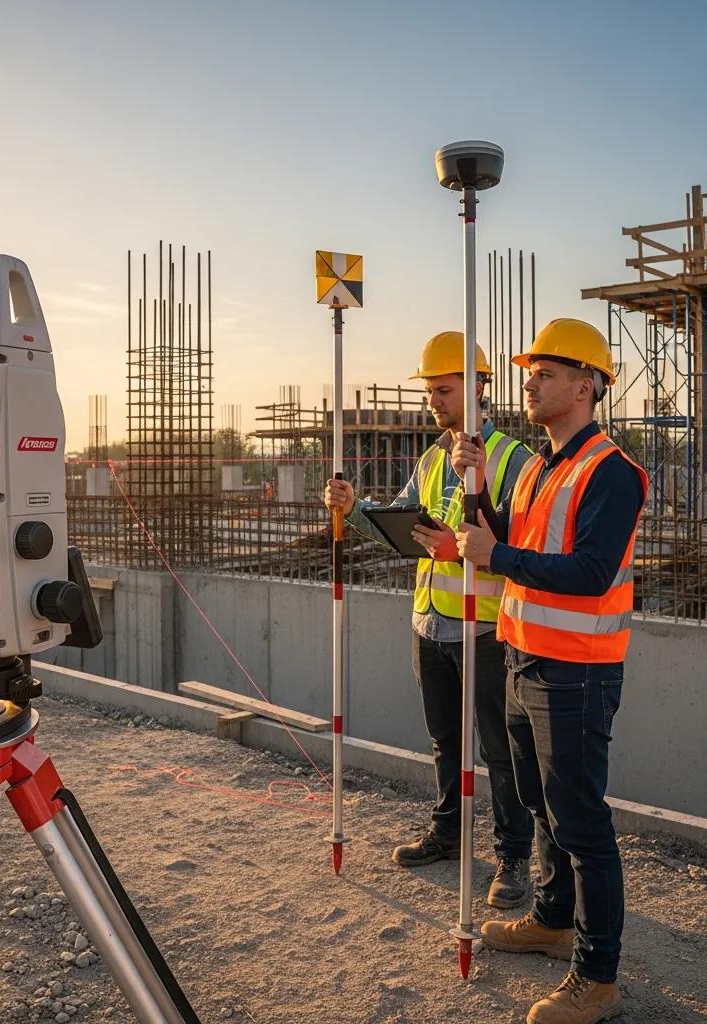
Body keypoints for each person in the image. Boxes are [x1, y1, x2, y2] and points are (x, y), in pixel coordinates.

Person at [453, 319, 647, 1024]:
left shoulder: (612, 473)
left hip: (576, 672)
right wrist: (471, 487)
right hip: (524, 658)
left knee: (581, 821)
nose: (528, 380)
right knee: (540, 803)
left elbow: (591, 572)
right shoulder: (540, 466)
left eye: (546, 371)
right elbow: (505, 538)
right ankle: (553, 917)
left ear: (586, 385)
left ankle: (596, 977)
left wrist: (495, 557)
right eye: (529, 370)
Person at [324, 330, 534, 908]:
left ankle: (513, 855)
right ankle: (448, 833)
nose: (433, 401)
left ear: (478, 388)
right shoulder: (433, 457)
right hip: (431, 625)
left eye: (443, 390)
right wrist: (355, 509)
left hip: (487, 629)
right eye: (431, 391)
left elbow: (520, 549)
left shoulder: (516, 461)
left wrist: (457, 547)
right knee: (445, 741)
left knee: (500, 748)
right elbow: (404, 526)